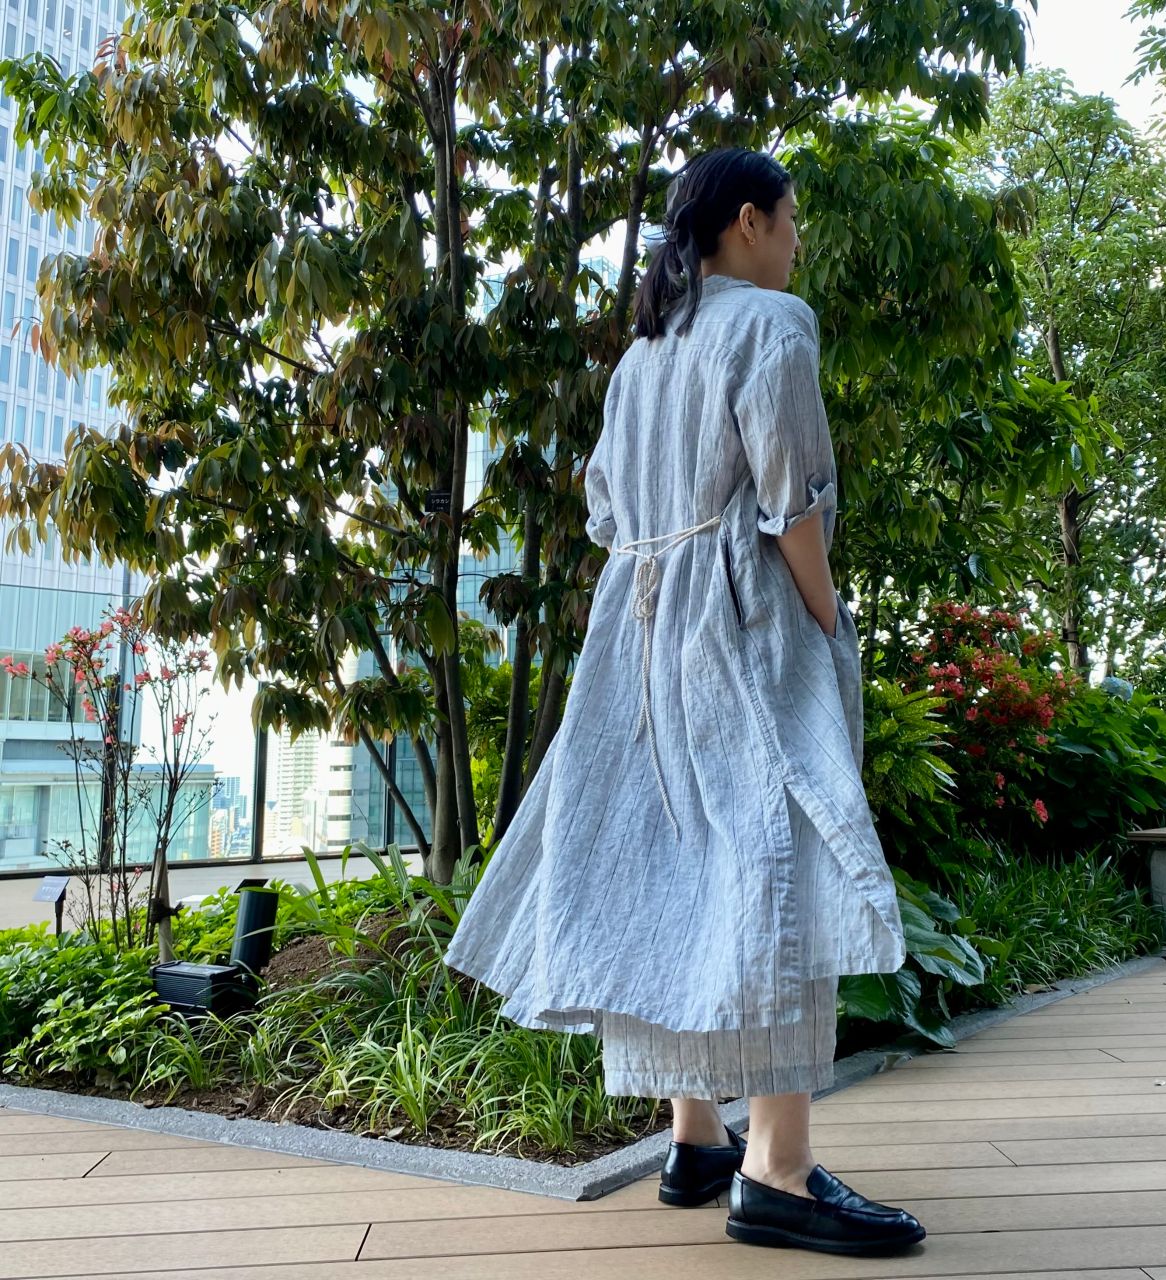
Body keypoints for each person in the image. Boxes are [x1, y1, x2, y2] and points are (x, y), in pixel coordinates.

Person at [443, 145, 925, 1256]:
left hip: (637, 630)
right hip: (742, 619)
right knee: (779, 857)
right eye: (790, 221)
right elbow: (791, 500)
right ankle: (778, 1169)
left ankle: (696, 1135)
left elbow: (607, 510)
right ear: (747, 221)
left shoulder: (642, 354)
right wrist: (826, 624)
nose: (795, 244)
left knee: (672, 864)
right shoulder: (773, 324)